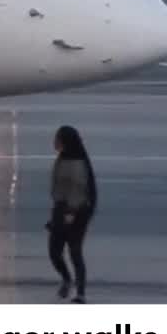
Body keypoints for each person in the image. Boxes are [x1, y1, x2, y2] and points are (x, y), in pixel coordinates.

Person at [47, 125, 97, 304]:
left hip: (76, 211)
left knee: (75, 251)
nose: (54, 142)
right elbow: (59, 186)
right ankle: (67, 279)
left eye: (57, 139)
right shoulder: (63, 158)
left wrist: (71, 212)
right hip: (61, 209)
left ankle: (81, 293)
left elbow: (78, 189)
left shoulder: (76, 162)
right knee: (54, 252)